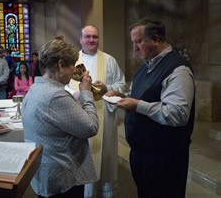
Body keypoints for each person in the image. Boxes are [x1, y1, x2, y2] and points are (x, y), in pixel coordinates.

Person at [107, 17, 195, 198]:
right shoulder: (144, 67)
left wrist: (137, 105)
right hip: (142, 154)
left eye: (138, 42)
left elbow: (178, 114)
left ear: (155, 39)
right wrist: (122, 97)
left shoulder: (177, 69)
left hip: (165, 158)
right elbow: (141, 97)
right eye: (133, 43)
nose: (134, 48)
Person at [21, 39, 99, 198]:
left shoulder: (36, 88)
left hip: (44, 169)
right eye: (72, 66)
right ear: (61, 65)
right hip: (62, 176)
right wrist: (85, 92)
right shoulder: (55, 95)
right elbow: (91, 127)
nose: (73, 72)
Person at [68, 25, 126, 197]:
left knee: (103, 157)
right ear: (80, 39)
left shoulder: (109, 60)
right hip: (76, 116)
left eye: (95, 37)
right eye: (87, 37)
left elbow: (122, 85)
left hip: (103, 118)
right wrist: (78, 94)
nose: (91, 40)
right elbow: (62, 86)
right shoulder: (72, 61)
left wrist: (106, 87)